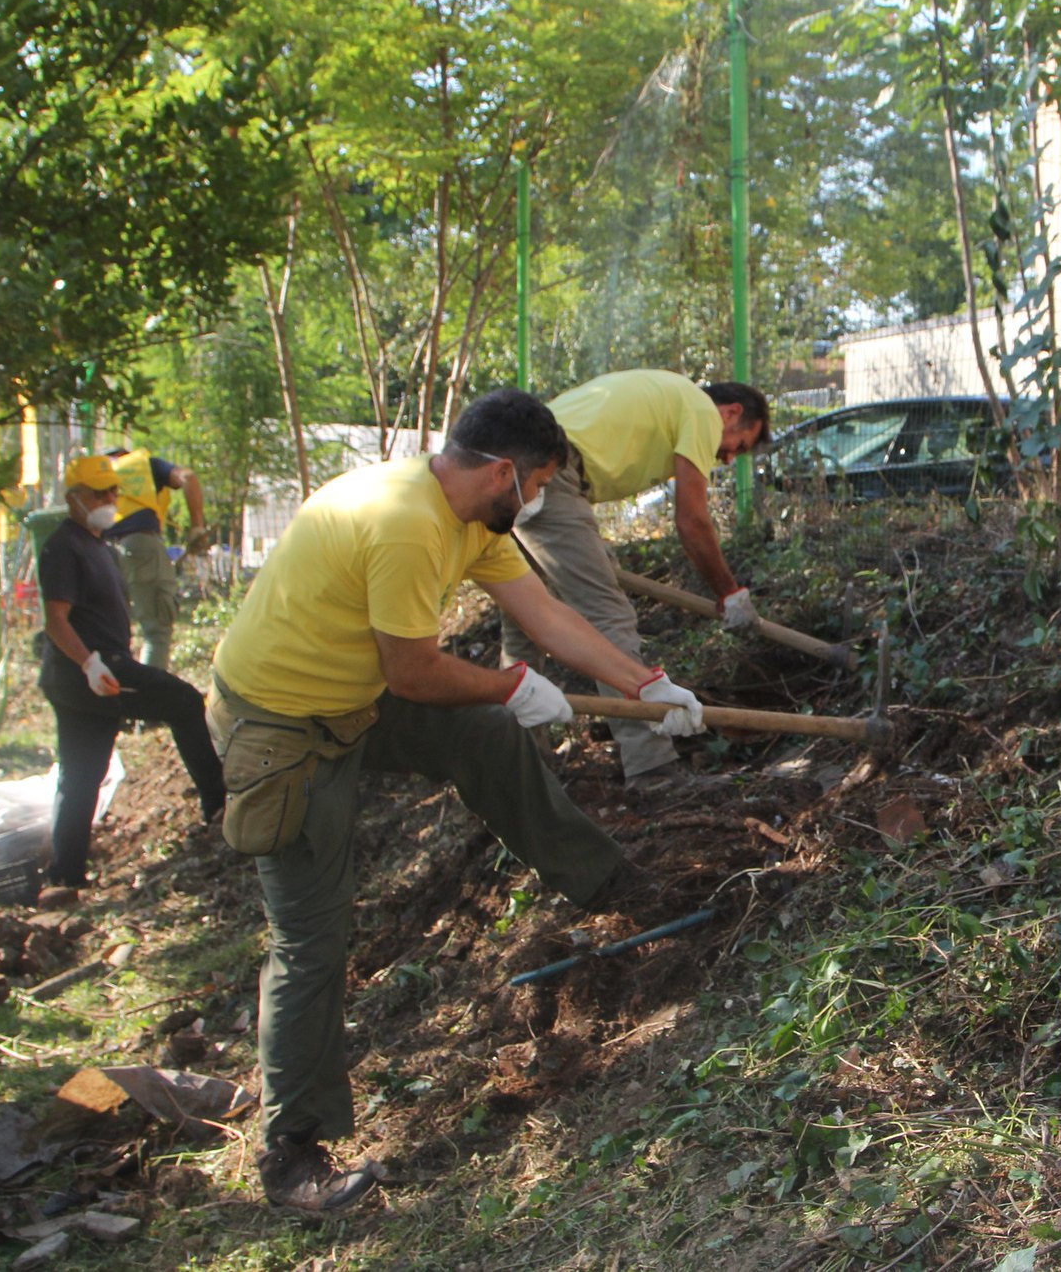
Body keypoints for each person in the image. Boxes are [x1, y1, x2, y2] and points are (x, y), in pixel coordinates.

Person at [208, 388, 704, 1213]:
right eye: (541, 482)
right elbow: (412, 672)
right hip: (284, 722)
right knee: (312, 930)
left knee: (485, 734)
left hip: (355, 690)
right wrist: (511, 684)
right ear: (505, 470)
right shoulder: (405, 520)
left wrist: (646, 684)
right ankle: (292, 1153)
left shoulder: (475, 516)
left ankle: (612, 886)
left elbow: (547, 613)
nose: (542, 500)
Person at [500, 373, 769, 791]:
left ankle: (519, 770)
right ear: (731, 412)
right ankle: (652, 769)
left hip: (517, 468)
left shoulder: (669, 396)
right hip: (549, 472)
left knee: (523, 624)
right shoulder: (701, 409)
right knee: (608, 618)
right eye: (741, 444)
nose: (730, 458)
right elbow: (692, 520)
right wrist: (729, 593)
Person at [35, 455, 226, 902]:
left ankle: (66, 876)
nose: (107, 500)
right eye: (97, 494)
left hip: (88, 676)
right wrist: (89, 663)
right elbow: (55, 620)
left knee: (82, 775)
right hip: (96, 672)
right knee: (183, 702)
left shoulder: (98, 544)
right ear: (73, 497)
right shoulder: (64, 547)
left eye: (112, 492)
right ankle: (219, 806)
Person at [102, 446, 210, 672]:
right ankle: (148, 702)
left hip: (99, 551)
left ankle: (111, 696)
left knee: (108, 630)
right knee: (156, 631)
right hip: (140, 544)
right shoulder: (143, 464)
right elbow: (188, 478)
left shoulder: (95, 473)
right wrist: (197, 527)